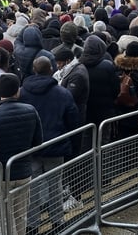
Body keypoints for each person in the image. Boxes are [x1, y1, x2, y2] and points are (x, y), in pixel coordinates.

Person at [19, 56, 80, 233]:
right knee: (56, 184)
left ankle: (32, 224)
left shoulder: (22, 92)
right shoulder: (62, 93)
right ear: (51, 70)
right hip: (56, 145)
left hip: (32, 147)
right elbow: (73, 121)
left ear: (34, 70)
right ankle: (57, 220)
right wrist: (73, 146)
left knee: (33, 186)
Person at [0, 74, 42, 235]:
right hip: (23, 172)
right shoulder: (31, 110)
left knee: (4, 217)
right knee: (21, 215)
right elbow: (38, 141)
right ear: (18, 91)